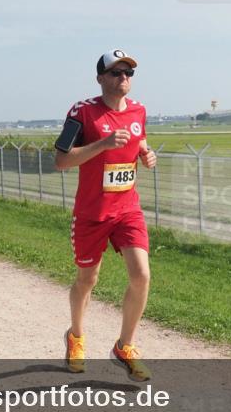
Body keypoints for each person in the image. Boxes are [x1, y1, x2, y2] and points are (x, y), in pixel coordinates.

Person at [55, 49, 158, 382]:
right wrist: (103, 144)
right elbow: (61, 160)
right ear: (100, 78)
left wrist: (145, 153)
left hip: (127, 209)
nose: (123, 78)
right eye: (116, 73)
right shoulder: (82, 112)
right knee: (88, 280)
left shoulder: (139, 110)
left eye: (128, 73)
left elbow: (138, 139)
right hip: (92, 213)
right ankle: (76, 337)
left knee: (141, 275)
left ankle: (124, 347)